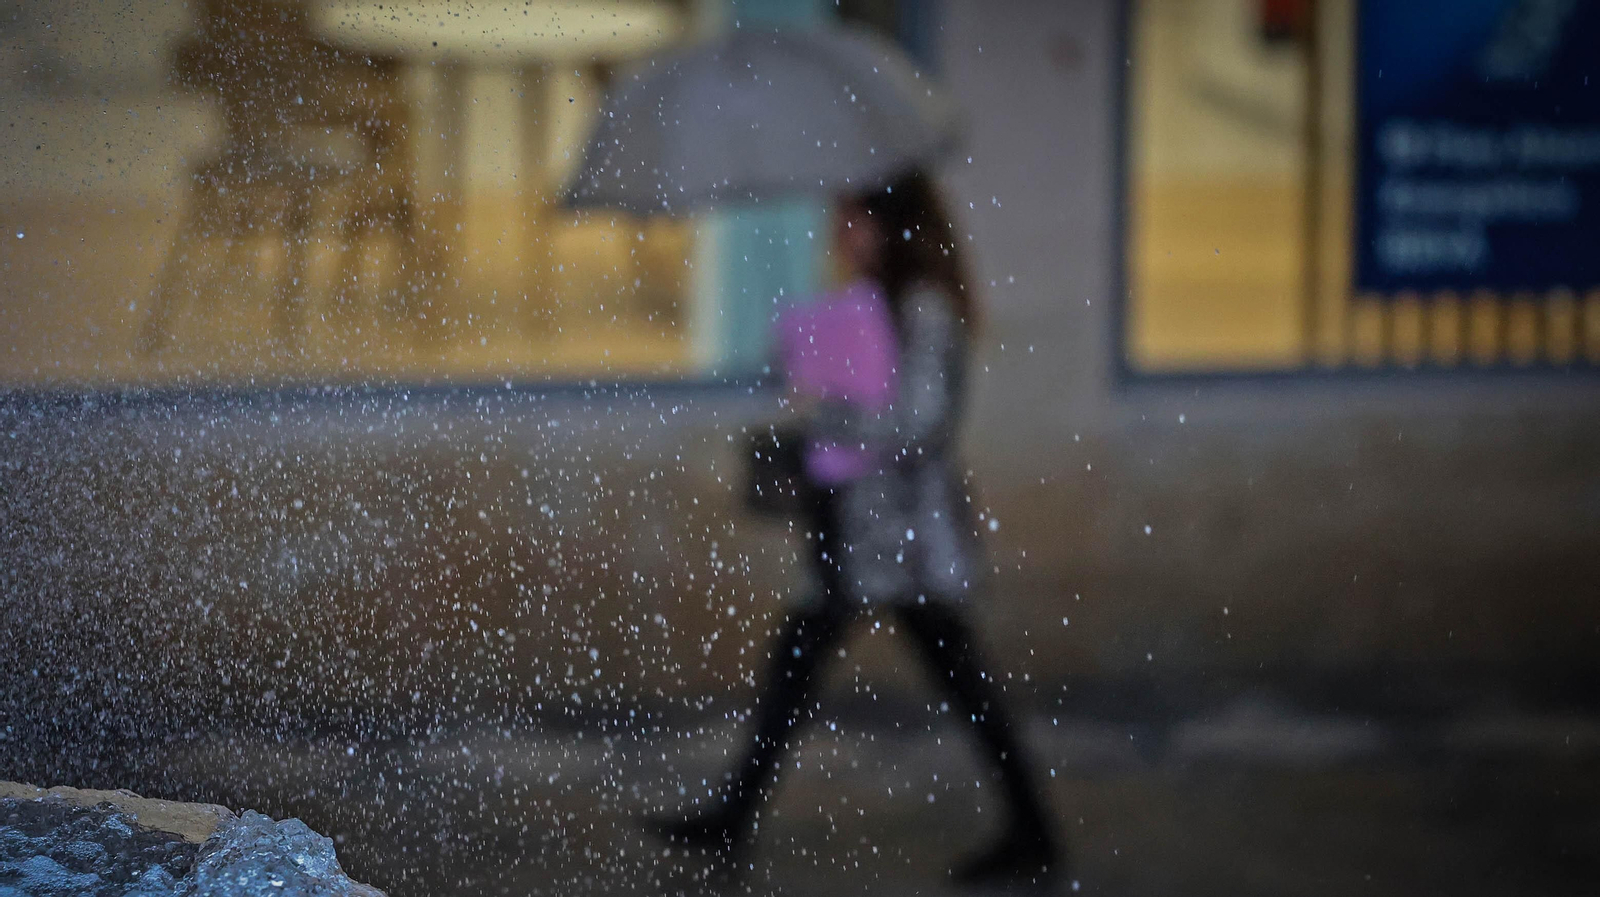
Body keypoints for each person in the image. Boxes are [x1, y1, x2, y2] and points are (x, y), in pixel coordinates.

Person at [652, 169, 1062, 885]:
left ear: (891, 224)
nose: (840, 234)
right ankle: (732, 814)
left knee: (961, 682)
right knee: (796, 667)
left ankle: (1033, 829)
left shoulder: (925, 309)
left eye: (853, 219)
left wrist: (830, 423)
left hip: (907, 543)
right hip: (853, 535)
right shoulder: (869, 304)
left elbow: (919, 423)